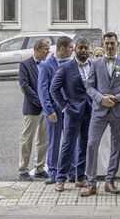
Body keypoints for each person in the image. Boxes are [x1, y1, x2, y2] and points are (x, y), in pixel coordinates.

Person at [81, 32, 120, 196]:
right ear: (103, 45)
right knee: (92, 144)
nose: (110, 46)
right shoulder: (95, 64)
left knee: (116, 146)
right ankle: (91, 183)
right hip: (99, 110)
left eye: (112, 43)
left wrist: (118, 98)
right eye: (107, 43)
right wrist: (100, 98)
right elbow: (89, 87)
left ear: (117, 44)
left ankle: (110, 181)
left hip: (119, 111)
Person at [49, 38, 92, 191]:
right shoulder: (66, 67)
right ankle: (60, 178)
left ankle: (80, 177)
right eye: (80, 48)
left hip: (90, 110)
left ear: (89, 49)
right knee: (68, 145)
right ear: (75, 49)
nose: (83, 50)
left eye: (85, 47)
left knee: (84, 145)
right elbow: (54, 89)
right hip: (72, 112)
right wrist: (64, 107)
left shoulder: (93, 65)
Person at [37, 36, 74, 185]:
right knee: (54, 141)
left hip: (69, 109)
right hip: (54, 110)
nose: (72, 50)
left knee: (71, 141)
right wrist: (49, 110)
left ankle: (71, 171)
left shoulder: (72, 63)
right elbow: (42, 90)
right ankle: (52, 172)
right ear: (63, 48)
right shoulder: (46, 65)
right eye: (71, 48)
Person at [17, 39, 51, 181]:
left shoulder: (48, 64)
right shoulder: (25, 65)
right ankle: (23, 169)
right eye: (46, 49)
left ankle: (39, 168)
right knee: (27, 139)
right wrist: (41, 101)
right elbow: (25, 86)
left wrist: (48, 104)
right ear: (37, 49)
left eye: (48, 49)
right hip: (32, 108)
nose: (48, 51)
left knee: (44, 140)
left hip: (47, 108)